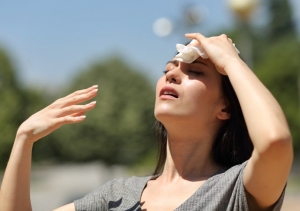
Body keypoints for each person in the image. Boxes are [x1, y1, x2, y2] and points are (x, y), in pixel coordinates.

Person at [0, 33, 293, 211]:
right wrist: (24, 139)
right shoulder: (117, 196)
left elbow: (274, 142)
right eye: (168, 68)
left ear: (225, 108)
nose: (172, 74)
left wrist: (231, 60)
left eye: (197, 72)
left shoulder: (236, 190)